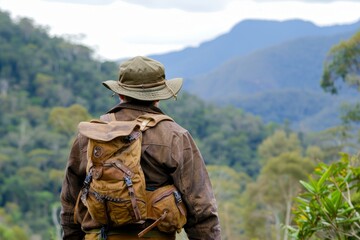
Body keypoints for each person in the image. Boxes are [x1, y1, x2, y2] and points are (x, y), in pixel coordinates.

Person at [60, 56, 221, 240]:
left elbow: (69, 203)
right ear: (159, 96)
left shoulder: (91, 135)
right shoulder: (175, 136)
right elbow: (201, 209)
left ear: (120, 94)